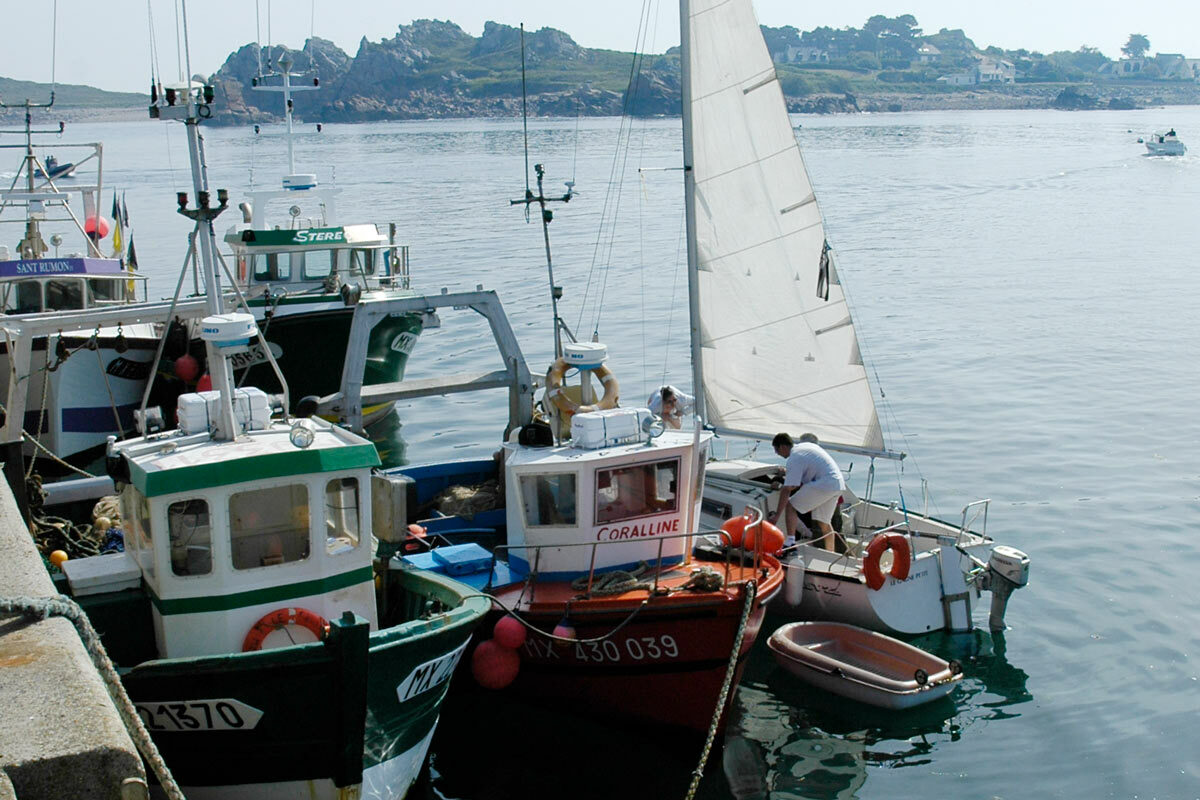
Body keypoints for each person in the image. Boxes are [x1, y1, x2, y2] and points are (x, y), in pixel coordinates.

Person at [768, 432, 845, 550]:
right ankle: (831, 552)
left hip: (824, 484)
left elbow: (788, 489)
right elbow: (809, 467)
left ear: (783, 446)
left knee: (790, 505)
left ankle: (790, 542)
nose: (776, 453)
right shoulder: (805, 448)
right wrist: (787, 473)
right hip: (837, 484)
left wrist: (777, 516)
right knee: (824, 522)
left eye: (776, 450)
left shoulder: (794, 457)